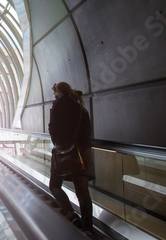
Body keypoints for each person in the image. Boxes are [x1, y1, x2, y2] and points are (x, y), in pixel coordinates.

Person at [48, 82, 95, 234]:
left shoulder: (58, 105)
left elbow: (53, 129)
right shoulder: (82, 109)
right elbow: (88, 132)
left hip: (64, 152)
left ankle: (70, 213)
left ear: (58, 93)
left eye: (54, 93)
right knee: (82, 191)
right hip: (83, 153)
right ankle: (88, 228)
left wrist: (59, 144)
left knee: (54, 185)